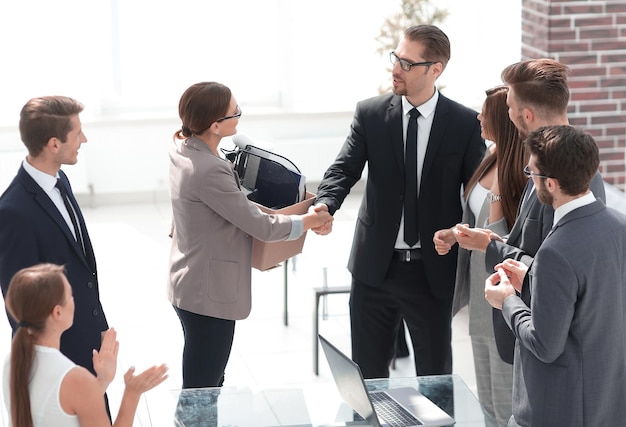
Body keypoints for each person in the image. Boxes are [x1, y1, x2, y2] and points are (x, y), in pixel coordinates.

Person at [313, 25, 485, 379]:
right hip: (374, 268)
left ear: (435, 69)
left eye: (406, 63)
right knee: (366, 382)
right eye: (396, 58)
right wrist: (326, 205)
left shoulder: (465, 124)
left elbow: (477, 193)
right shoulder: (371, 114)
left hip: (431, 272)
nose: (395, 69)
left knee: (436, 380)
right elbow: (343, 169)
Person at [168, 82, 333, 388]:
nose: (239, 117)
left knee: (205, 379)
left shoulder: (184, 150)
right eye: (236, 112)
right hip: (207, 295)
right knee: (204, 388)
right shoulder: (210, 170)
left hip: (188, 283)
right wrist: (309, 221)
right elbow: (262, 227)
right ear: (216, 125)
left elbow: (218, 218)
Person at [451, 59, 606, 364]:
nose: (506, 115)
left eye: (508, 107)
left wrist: (490, 246)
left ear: (526, 115)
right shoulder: (542, 165)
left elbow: (560, 270)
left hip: (546, 344)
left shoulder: (575, 180)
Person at [485, 125, 626, 427]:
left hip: (561, 408)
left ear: (550, 183)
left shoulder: (555, 250)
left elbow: (545, 345)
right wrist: (534, 279)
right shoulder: (620, 226)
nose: (530, 179)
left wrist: (507, 300)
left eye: (531, 173)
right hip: (610, 403)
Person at [433, 86, 525, 426]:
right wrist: (454, 235)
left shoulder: (517, 170)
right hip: (478, 290)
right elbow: (476, 221)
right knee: (485, 398)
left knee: (504, 405)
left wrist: (500, 191)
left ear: (502, 120)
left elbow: (502, 237)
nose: (478, 117)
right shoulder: (490, 155)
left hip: (502, 295)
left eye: (485, 113)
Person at [0, 97, 109, 376]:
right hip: (58, 360)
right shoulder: (13, 212)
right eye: (77, 133)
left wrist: (99, 327)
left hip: (87, 342)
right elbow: (20, 304)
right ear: (53, 144)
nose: (83, 139)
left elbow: (81, 269)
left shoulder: (61, 180)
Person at [2, 263, 169, 427]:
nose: (74, 301)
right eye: (70, 296)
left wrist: (102, 381)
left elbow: (60, 410)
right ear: (57, 312)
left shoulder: (13, 362)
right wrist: (132, 393)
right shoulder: (76, 379)